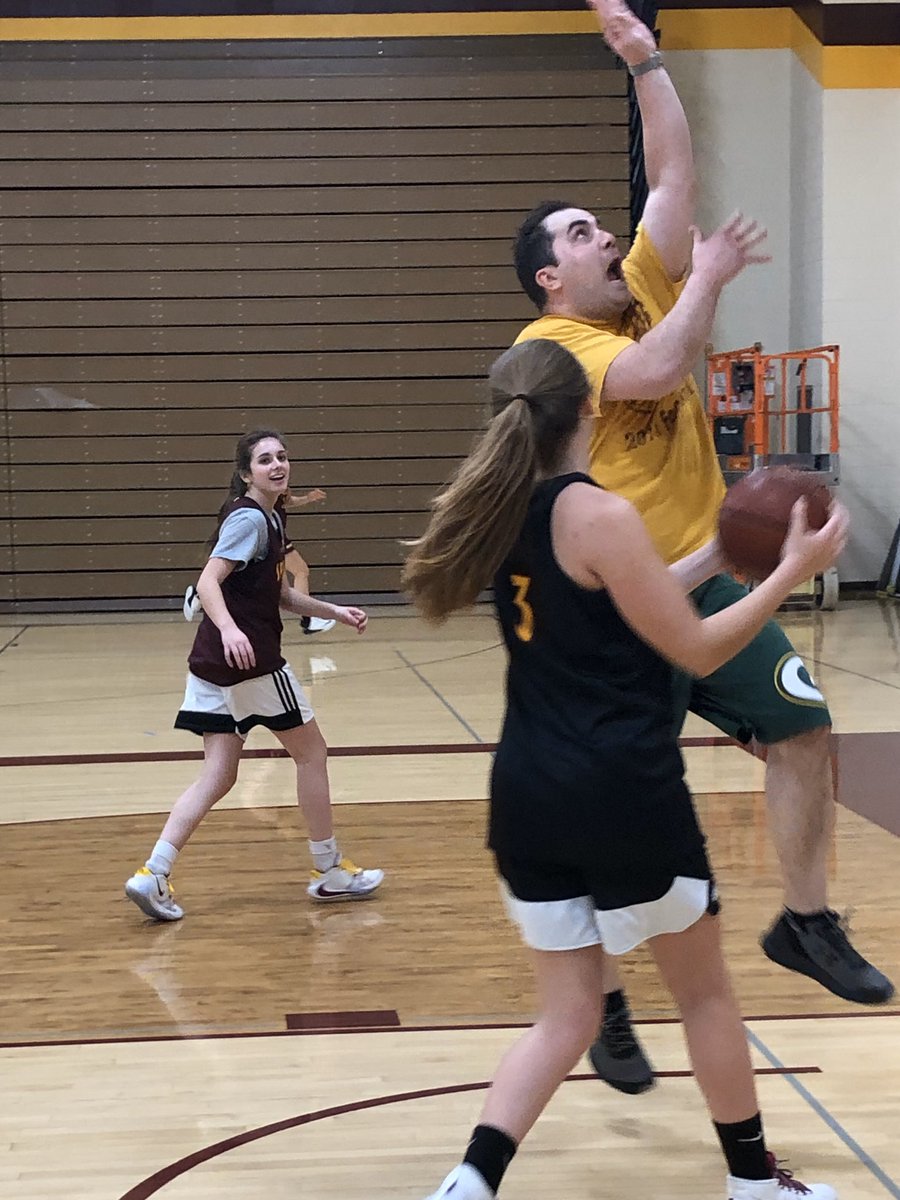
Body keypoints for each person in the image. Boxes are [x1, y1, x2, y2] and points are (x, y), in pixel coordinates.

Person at [511, 0, 892, 1093]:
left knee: (806, 729)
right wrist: (713, 282)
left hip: (713, 579)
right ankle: (610, 998)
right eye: (583, 234)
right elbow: (655, 377)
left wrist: (644, 60)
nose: (607, 236)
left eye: (601, 226)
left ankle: (807, 923)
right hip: (625, 611)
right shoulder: (551, 346)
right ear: (550, 275)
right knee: (621, 815)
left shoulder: (642, 286)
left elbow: (672, 180)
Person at [403, 337, 844, 1200]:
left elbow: (620, 591)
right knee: (706, 997)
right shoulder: (600, 514)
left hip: (528, 792)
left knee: (564, 1014)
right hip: (619, 792)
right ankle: (754, 1183)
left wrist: (719, 556)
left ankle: (469, 1182)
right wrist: (793, 569)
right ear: (593, 411)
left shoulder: (507, 510)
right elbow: (701, 647)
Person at [126, 429, 383, 920]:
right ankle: (328, 870)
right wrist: (230, 629)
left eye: (283, 456)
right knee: (312, 754)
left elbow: (281, 595)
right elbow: (207, 581)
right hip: (250, 663)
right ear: (247, 473)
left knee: (219, 774)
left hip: (210, 667)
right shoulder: (249, 519)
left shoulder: (270, 515)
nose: (278, 465)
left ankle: (152, 873)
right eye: (265, 460)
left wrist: (333, 609)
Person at [183, 487, 335, 635]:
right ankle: (308, 618)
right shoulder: (253, 507)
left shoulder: (274, 493)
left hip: (275, 539)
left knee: (290, 577)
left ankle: (198, 596)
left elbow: (287, 501)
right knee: (298, 571)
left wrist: (308, 498)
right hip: (269, 539)